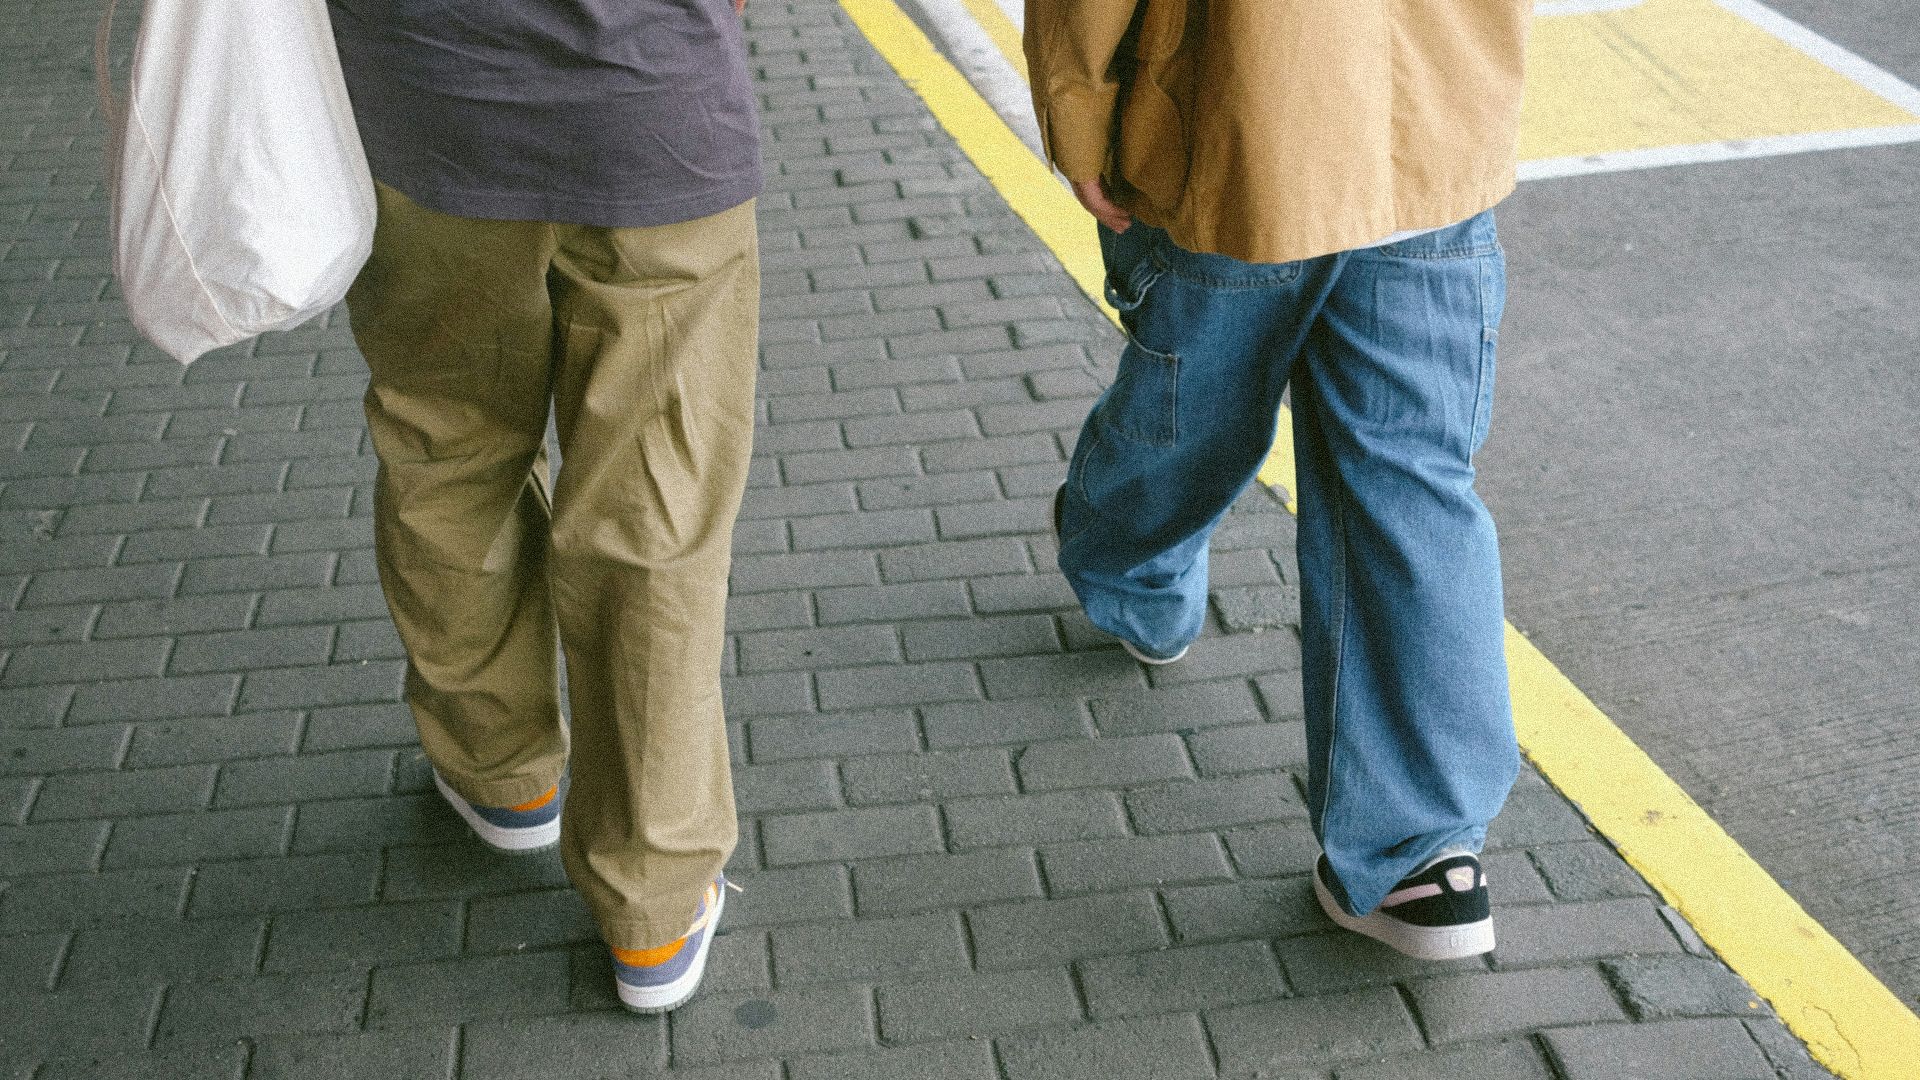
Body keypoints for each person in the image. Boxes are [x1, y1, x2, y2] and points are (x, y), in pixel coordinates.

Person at [1026, 0, 1531, 959]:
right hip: (1432, 115)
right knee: (1407, 473)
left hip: (1239, 109)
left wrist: (1078, 103)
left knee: (1196, 414)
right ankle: (1415, 851)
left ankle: (1133, 575)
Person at [328, 0, 760, 1012]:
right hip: (652, 110)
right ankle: (651, 907)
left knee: (447, 452)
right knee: (656, 513)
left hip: (419, 110)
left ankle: (500, 772)